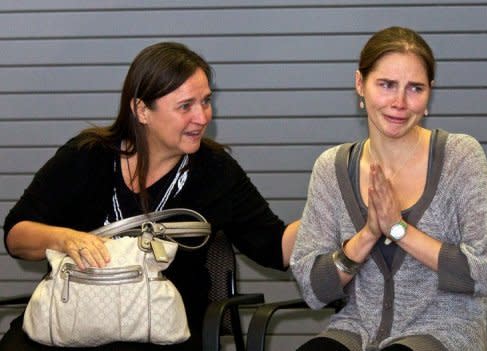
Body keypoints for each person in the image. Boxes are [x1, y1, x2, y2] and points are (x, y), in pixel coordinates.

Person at [1, 41, 299, 350]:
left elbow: (276, 247)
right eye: (186, 106)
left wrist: (332, 207)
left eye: (206, 101)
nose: (203, 117)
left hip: (161, 331)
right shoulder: (86, 156)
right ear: (142, 110)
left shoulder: (216, 171)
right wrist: (63, 239)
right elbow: (16, 236)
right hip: (70, 321)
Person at [290, 26, 487, 351]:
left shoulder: (461, 156)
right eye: (386, 85)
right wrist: (368, 235)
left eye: (415, 88)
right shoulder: (331, 167)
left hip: (444, 333)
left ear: (430, 93)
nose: (400, 102)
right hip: (356, 330)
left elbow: (485, 273)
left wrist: (399, 229)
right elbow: (313, 291)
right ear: (360, 84)